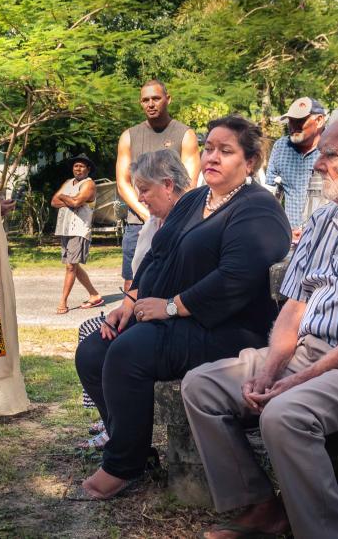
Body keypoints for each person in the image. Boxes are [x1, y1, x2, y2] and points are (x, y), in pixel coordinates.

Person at [181, 106, 338, 539]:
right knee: (201, 386)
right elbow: (294, 307)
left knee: (284, 414)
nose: (318, 164)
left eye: (331, 155)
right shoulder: (322, 219)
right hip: (311, 352)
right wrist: (271, 371)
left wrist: (300, 380)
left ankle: (332, 532)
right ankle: (262, 508)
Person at [71, 116, 290, 501]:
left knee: (129, 352)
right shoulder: (194, 199)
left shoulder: (258, 208)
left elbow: (236, 278)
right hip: (175, 319)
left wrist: (173, 307)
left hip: (230, 328)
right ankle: (135, 450)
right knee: (93, 351)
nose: (212, 157)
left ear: (251, 161)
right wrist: (131, 302)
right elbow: (157, 254)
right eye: (209, 149)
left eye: (226, 151)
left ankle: (122, 465)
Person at [75, 149, 192, 450]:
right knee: (90, 349)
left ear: (168, 185)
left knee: (115, 351)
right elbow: (142, 276)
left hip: (176, 321)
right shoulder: (152, 224)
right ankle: (118, 435)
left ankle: (127, 450)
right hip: (144, 313)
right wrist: (126, 304)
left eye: (144, 190)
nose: (139, 198)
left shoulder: (195, 220)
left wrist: (164, 307)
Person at [115, 80, 200, 293]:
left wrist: (168, 219)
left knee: (171, 283)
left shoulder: (185, 134)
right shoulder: (129, 136)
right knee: (132, 283)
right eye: (145, 100)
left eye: (156, 98)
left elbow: (189, 184)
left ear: (168, 99)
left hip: (175, 222)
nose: (151, 104)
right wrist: (148, 216)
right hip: (138, 221)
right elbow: (123, 182)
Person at [264, 96, 326, 234]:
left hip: (325, 235)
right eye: (290, 121)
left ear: (319, 120)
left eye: (300, 121)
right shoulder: (281, 147)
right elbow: (270, 194)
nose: (293, 126)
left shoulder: (334, 149)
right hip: (289, 235)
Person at [53, 154, 103, 314]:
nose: (78, 169)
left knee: (70, 266)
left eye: (82, 166)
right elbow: (54, 202)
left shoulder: (89, 184)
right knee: (72, 264)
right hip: (65, 228)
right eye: (76, 166)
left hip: (79, 229)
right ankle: (94, 295)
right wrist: (68, 199)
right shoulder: (68, 183)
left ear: (88, 169)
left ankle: (63, 302)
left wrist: (63, 196)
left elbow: (76, 202)